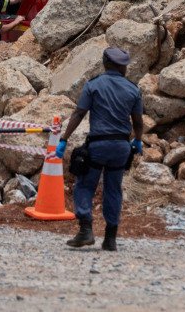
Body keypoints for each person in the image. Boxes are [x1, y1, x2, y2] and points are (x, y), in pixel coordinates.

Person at [55, 47, 144, 251]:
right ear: (122, 67)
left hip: (98, 145)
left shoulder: (93, 85)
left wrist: (64, 139)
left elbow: (79, 114)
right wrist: (138, 140)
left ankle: (86, 230)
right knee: (113, 189)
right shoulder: (133, 89)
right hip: (122, 147)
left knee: (85, 186)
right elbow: (138, 121)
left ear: (105, 64)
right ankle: (110, 238)